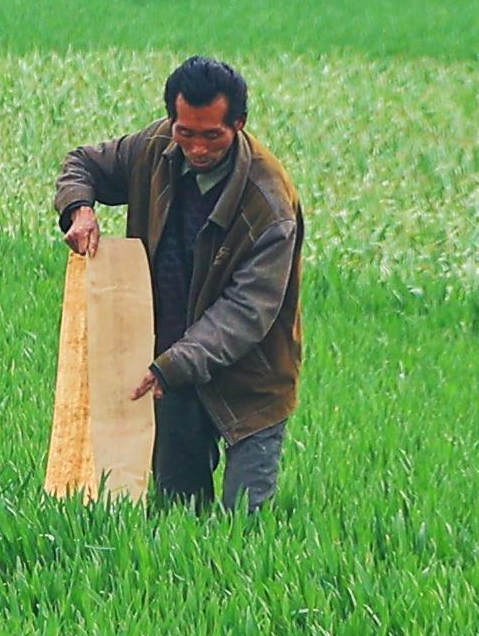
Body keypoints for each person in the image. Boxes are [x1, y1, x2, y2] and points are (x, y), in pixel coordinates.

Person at [55, 57, 306, 511]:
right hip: (169, 370)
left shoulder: (268, 202)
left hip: (250, 381)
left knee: (245, 524)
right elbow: (82, 164)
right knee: (177, 515)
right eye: (185, 132)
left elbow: (246, 312)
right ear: (172, 119)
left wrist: (172, 365)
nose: (197, 147)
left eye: (212, 135)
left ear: (239, 125)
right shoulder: (153, 148)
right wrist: (80, 209)